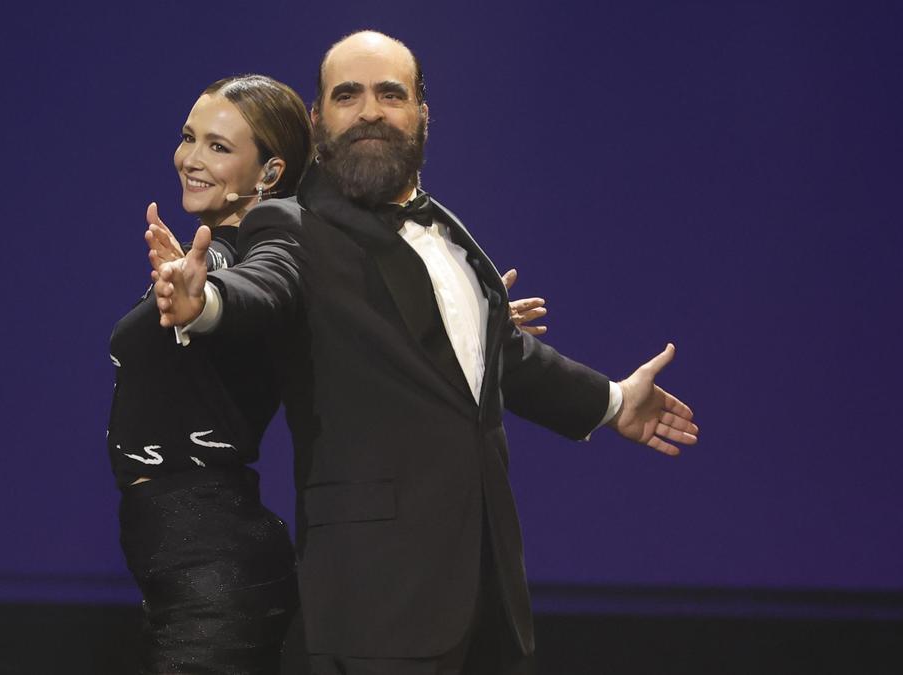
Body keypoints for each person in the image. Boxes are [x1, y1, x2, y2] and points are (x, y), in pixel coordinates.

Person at [149, 31, 699, 675]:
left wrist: (611, 403)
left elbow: (501, 358)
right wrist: (207, 302)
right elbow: (264, 284)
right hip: (375, 600)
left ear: (421, 114)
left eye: (391, 94)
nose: (371, 111)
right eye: (347, 95)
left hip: (488, 588)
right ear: (317, 119)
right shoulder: (293, 226)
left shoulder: (451, 236)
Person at [107, 74, 311, 675]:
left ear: (270, 173)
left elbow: (260, 285)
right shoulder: (210, 251)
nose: (191, 160)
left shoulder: (264, 239)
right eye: (189, 137)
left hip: (215, 569)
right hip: (189, 562)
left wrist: (206, 300)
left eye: (219, 147)